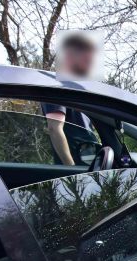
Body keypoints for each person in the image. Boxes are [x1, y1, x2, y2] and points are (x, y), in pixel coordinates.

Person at [42, 32, 99, 166]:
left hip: (87, 160)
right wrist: (71, 169)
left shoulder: (76, 88)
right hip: (76, 167)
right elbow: (54, 128)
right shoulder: (57, 87)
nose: (90, 62)